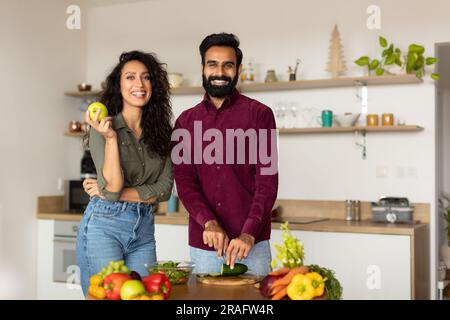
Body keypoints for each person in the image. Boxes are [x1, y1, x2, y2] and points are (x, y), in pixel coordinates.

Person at [172, 33, 278, 276]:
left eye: (227, 65)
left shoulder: (261, 115)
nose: (219, 72)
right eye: (212, 64)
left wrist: (249, 233)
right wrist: (209, 223)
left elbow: (267, 183)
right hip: (206, 246)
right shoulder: (185, 122)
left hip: (252, 246)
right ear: (202, 68)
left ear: (238, 69)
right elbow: (185, 183)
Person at [76, 50, 173, 295]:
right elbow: (111, 189)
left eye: (146, 77)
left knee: (145, 296)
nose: (139, 84)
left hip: (144, 230)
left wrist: (114, 193)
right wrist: (110, 139)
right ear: (118, 86)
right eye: (130, 77)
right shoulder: (102, 127)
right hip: (104, 228)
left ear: (154, 85)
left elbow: (163, 190)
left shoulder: (163, 133)